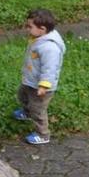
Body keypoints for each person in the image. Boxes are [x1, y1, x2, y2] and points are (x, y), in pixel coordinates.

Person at [13, 9, 66, 145]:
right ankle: (27, 112)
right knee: (23, 96)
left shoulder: (49, 48)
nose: (27, 29)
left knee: (38, 109)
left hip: (41, 86)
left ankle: (43, 134)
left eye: (30, 27)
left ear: (42, 29)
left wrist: (43, 85)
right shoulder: (39, 38)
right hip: (31, 80)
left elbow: (50, 69)